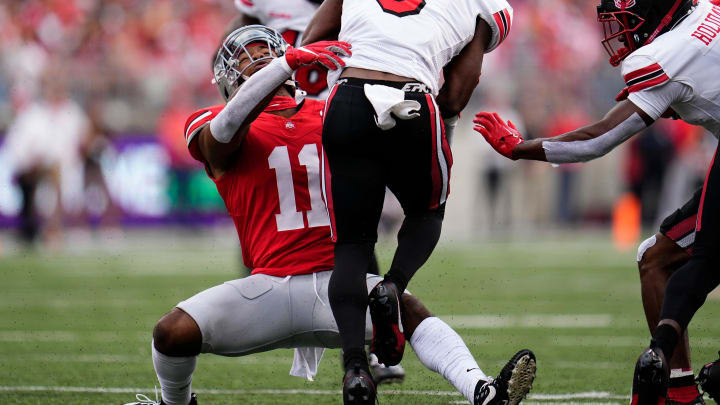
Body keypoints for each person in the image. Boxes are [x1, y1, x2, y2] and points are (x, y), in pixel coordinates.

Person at [123, 25, 536, 405]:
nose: (259, 61)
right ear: (231, 78)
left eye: (266, 53)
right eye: (248, 58)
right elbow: (223, 138)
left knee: (408, 310)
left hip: (339, 285)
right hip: (269, 285)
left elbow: (407, 163)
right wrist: (285, 63)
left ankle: (482, 391)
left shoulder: (333, 113)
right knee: (171, 333)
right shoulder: (214, 120)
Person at [473, 1, 720, 404]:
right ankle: (679, 387)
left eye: (625, 23)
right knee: (658, 258)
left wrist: (522, 148)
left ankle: (676, 390)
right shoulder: (708, 10)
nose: (619, 35)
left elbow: (598, 139)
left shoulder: (667, 57)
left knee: (674, 261)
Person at [300, 0, 515, 395]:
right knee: (427, 212)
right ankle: (393, 286)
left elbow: (310, 46)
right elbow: (454, 97)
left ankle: (355, 369)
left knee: (351, 245)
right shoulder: (485, 4)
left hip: (349, 94)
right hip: (414, 97)